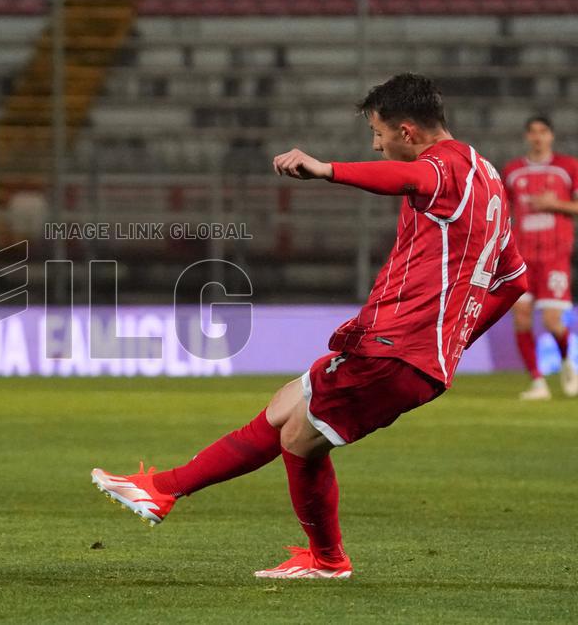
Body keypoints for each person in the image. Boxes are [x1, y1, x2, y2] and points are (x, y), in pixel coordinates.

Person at [91, 74, 528, 579]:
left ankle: (326, 559)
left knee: (299, 438)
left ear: (407, 132)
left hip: (398, 347)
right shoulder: (488, 176)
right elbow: (514, 278)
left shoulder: (439, 169)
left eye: (378, 132)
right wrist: (454, 341)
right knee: (286, 407)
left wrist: (327, 170)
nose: (376, 143)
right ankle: (163, 489)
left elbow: (411, 180)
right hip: (407, 348)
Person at [502, 117, 578, 400]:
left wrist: (554, 204)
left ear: (552, 136)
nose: (537, 137)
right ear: (526, 136)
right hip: (521, 258)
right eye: (532, 132)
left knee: (552, 322)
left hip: (554, 257)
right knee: (521, 320)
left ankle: (568, 362)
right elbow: (503, 210)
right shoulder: (512, 172)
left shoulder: (568, 168)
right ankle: (538, 382)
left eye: (543, 131)